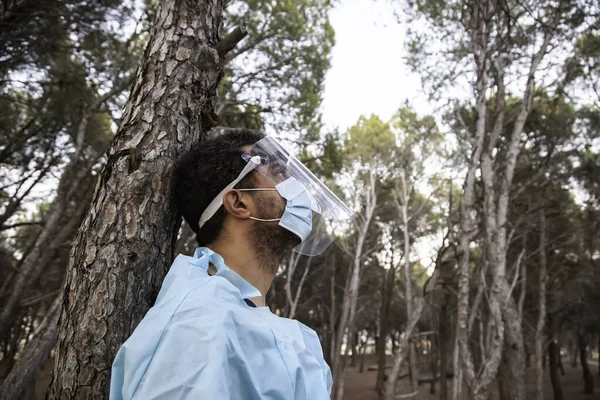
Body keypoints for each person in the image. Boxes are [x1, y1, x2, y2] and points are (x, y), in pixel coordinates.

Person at [109, 129, 353, 399]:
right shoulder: (196, 325)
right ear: (238, 202)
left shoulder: (284, 332)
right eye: (279, 173)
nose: (298, 189)